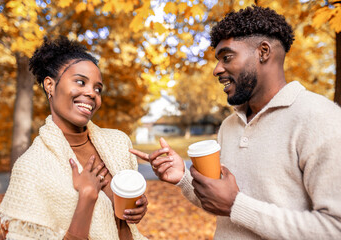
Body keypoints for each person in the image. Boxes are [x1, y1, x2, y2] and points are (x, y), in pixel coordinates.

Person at [130, 5, 341, 239]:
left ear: (263, 52)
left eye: (227, 57)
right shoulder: (230, 125)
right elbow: (220, 203)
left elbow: (334, 228)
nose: (216, 69)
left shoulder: (321, 118)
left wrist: (236, 206)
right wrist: (182, 177)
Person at [0, 36, 148, 240]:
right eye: (81, 82)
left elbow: (124, 219)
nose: (91, 93)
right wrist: (86, 198)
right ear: (50, 85)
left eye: (97, 88)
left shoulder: (118, 143)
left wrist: (138, 206)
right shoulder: (31, 167)